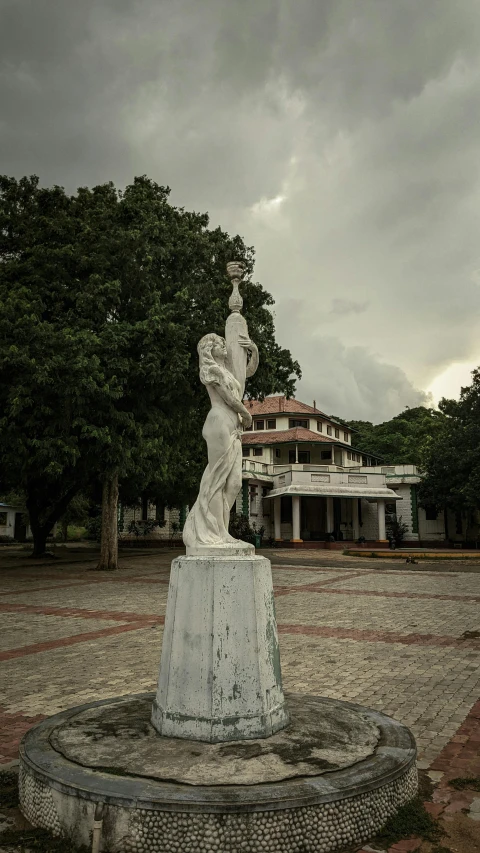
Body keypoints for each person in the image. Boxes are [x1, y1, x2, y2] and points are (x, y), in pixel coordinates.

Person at [182, 332, 258, 550]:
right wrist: (247, 413)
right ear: (208, 349)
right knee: (216, 480)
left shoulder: (227, 371)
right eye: (217, 343)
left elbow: (247, 372)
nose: (223, 345)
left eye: (223, 342)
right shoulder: (210, 370)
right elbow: (228, 396)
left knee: (233, 483)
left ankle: (221, 531)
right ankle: (218, 532)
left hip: (233, 428)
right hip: (219, 423)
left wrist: (254, 350)